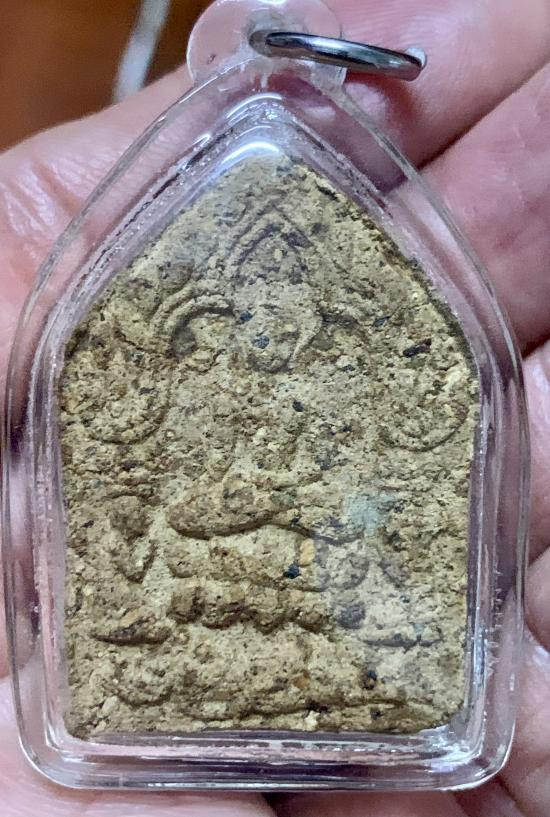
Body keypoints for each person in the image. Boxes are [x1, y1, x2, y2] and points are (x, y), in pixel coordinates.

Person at [1, 0, 550, 814]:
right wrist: (241, 500)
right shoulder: (200, 371)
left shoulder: (339, 371)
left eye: (288, 318)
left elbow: (364, 496)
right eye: (252, 317)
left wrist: (308, 504)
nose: (271, 334)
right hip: (217, 566)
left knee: (365, 564)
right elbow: (180, 497)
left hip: (318, 568)